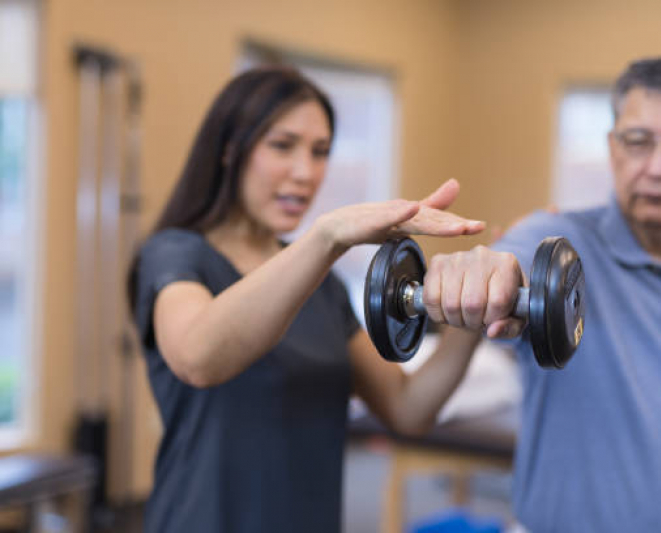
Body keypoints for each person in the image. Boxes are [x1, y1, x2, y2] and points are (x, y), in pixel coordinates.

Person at [422, 57, 661, 532]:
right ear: (612, 148)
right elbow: (509, 264)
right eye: (638, 142)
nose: (658, 168)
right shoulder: (557, 239)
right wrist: (481, 272)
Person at [127, 67, 487, 533]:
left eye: (320, 152)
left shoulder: (324, 285)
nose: (306, 172)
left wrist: (474, 313)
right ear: (230, 149)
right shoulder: (175, 254)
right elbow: (198, 357)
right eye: (282, 145)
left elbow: (408, 408)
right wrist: (329, 236)